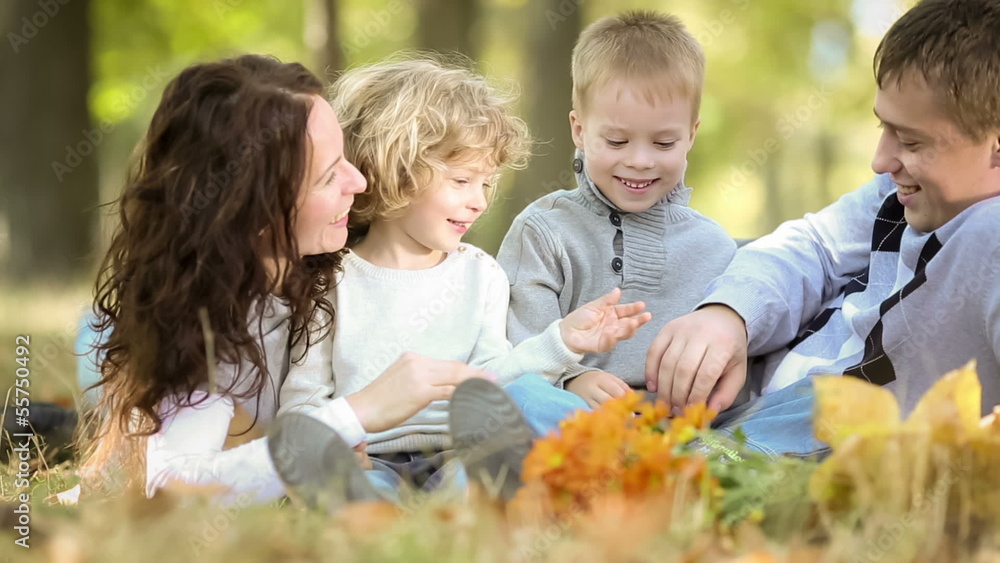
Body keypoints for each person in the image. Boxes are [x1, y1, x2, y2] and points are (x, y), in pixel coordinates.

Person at [79, 54, 496, 504]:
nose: (359, 181)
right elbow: (176, 488)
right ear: (256, 210)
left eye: (346, 160)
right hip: (142, 385)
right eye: (328, 175)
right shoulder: (209, 322)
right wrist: (358, 413)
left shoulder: (336, 272)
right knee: (91, 349)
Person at [270, 57, 652, 506]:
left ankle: (608, 469)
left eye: (487, 184)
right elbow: (303, 398)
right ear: (395, 168)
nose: (478, 202)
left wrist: (564, 341)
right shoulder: (329, 281)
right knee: (355, 494)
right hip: (371, 459)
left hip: (458, 454)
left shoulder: (480, 274)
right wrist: (332, 442)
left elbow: (494, 381)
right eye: (462, 180)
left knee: (499, 443)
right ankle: (379, 525)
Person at [646, 0, 1000, 457]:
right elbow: (812, 246)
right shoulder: (900, 194)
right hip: (743, 383)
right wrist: (729, 315)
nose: (881, 161)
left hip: (801, 433)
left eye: (911, 142)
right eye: (884, 128)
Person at [496, 11, 736, 409]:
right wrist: (572, 380)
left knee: (804, 404)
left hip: (688, 433)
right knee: (518, 404)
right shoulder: (543, 233)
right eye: (617, 141)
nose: (640, 161)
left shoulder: (715, 248)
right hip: (573, 425)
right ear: (579, 130)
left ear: (691, 134)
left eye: (663, 144)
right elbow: (514, 355)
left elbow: (733, 363)